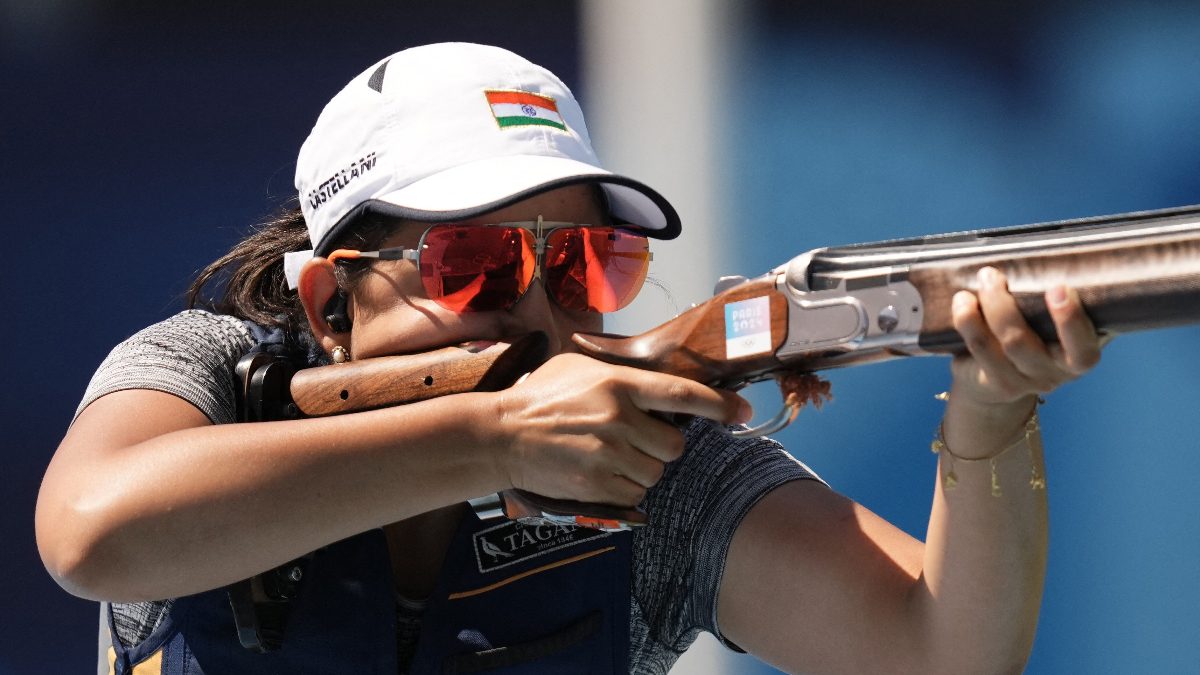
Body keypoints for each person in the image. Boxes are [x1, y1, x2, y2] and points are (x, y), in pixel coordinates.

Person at [36, 42, 1102, 675]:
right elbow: (93, 534)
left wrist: (992, 414)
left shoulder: (651, 466)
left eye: (592, 262)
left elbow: (938, 648)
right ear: (330, 301)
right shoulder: (216, 378)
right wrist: (493, 437)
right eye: (473, 264)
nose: (540, 310)